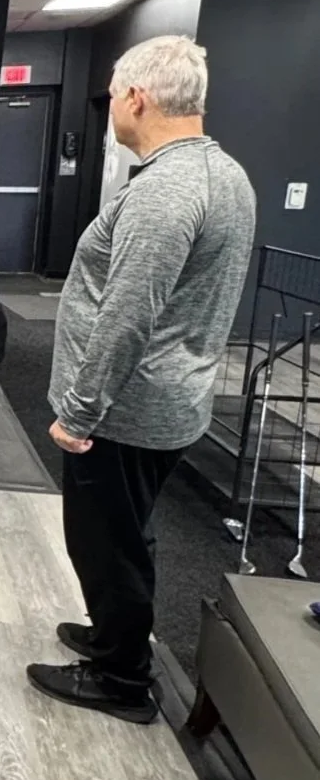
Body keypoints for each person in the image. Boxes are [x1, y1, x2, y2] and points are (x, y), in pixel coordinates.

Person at [28, 36, 255, 724]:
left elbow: (128, 316)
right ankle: (113, 637)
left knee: (104, 542)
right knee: (126, 533)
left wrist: (80, 411)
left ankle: (122, 677)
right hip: (169, 399)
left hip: (127, 410)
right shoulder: (225, 174)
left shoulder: (165, 193)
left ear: (137, 98)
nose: (111, 117)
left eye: (113, 102)